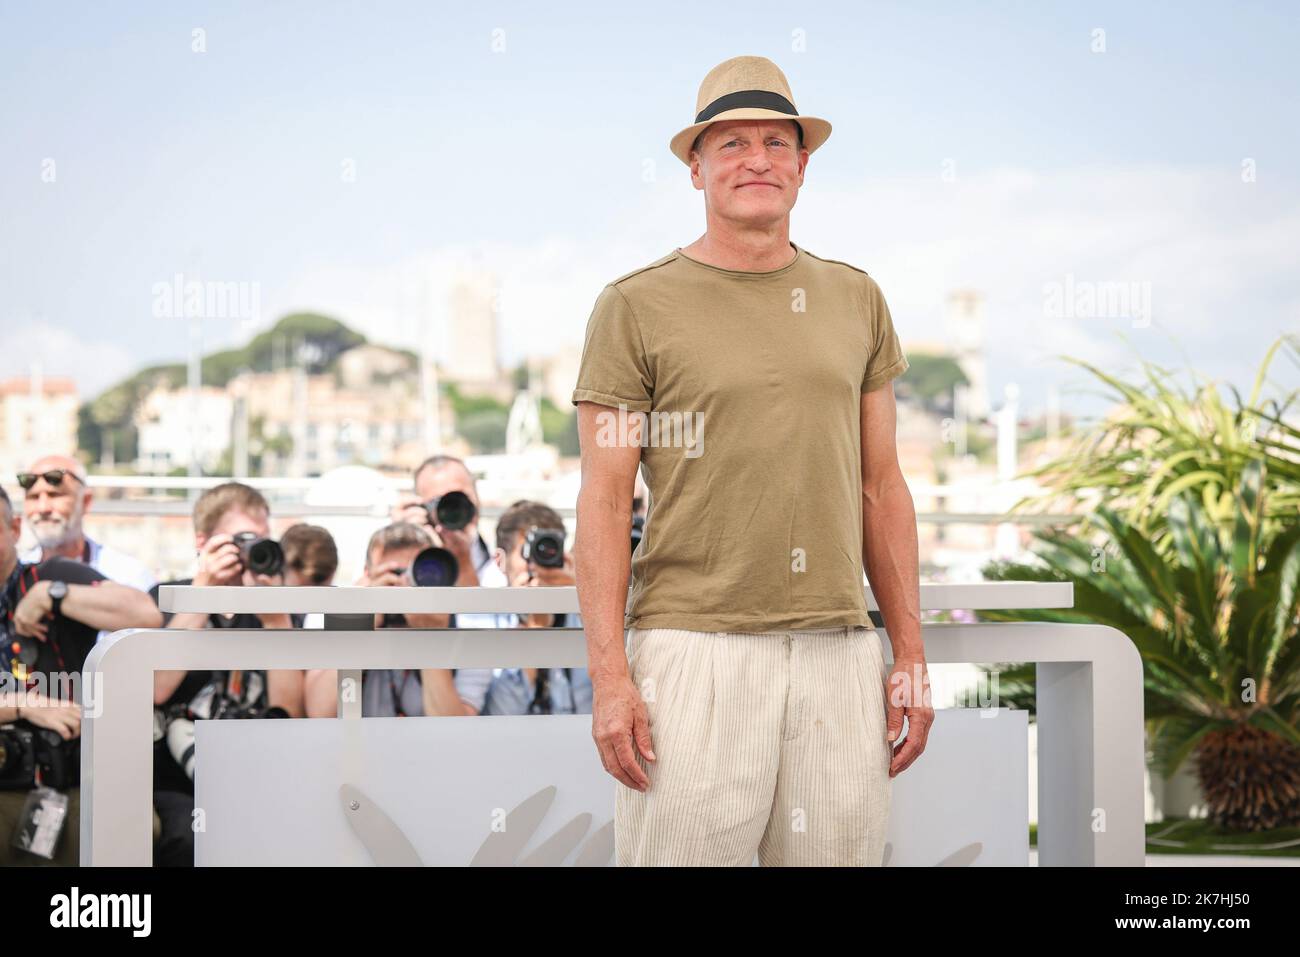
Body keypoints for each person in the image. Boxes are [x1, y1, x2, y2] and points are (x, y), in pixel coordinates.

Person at [571, 55, 934, 867]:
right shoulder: (633, 305)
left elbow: (883, 488)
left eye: (777, 142)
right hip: (692, 646)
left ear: (803, 167)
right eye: (731, 144)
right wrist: (609, 680)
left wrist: (909, 654)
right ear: (695, 167)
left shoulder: (857, 297)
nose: (757, 159)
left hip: (841, 650)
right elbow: (601, 504)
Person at [0, 486, 162, 866]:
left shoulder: (49, 574)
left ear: (14, 529)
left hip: (69, 779)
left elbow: (144, 613)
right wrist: (24, 704)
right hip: (7, 783)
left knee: (135, 827)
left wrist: (51, 594)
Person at [151, 482, 305, 867]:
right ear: (202, 542)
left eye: (261, 541)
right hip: (176, 781)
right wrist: (205, 590)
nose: (252, 551)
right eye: (240, 541)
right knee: (191, 838)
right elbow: (157, 687)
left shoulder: (280, 608)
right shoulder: (168, 598)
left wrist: (276, 620)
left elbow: (289, 711)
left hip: (260, 773)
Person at [303, 523, 494, 718]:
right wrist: (361, 625)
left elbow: (454, 734)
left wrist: (431, 637)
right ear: (367, 576)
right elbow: (320, 712)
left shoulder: (468, 632)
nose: (404, 587)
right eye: (394, 575)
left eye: (414, 577)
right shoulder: (331, 617)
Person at [463, 500, 592, 716]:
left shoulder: (584, 618)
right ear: (499, 561)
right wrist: (532, 630)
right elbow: (502, 714)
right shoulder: (482, 620)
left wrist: (580, 597)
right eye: (528, 552)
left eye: (548, 551)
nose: (538, 564)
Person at [17, 454, 157, 594]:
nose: (43, 508)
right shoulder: (16, 574)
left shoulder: (126, 575)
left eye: (54, 495)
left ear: (86, 501)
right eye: (33, 497)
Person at [390, 454, 507, 589]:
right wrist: (397, 543)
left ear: (477, 499)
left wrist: (464, 564)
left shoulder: (504, 559)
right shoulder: (407, 553)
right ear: (421, 508)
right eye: (440, 503)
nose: (452, 510)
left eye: (460, 498)